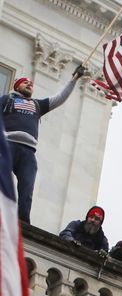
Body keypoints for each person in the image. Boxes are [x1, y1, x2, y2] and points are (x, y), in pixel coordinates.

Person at [2, 65, 86, 223]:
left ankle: (23, 223)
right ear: (17, 86)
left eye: (31, 84)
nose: (29, 84)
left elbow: (59, 98)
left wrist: (74, 79)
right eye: (25, 82)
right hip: (7, 145)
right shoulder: (7, 99)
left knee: (27, 189)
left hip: (28, 152)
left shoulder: (37, 105)